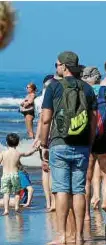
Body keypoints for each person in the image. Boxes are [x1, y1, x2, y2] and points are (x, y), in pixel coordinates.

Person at [40, 51, 98, 245]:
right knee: (79, 190)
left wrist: (43, 144)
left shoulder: (53, 87)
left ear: (64, 67)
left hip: (59, 143)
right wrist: (89, 144)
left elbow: (46, 118)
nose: (56, 67)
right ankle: (80, 236)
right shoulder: (88, 90)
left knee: (62, 189)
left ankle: (64, 235)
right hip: (81, 144)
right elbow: (93, 121)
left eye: (57, 64)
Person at [81, 66, 106, 220]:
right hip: (102, 135)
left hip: (86, 137)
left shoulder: (82, 91)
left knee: (87, 176)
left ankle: (85, 214)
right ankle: (105, 202)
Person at [32, 74, 56, 212]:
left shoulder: (37, 100)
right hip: (54, 135)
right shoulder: (53, 97)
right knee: (53, 169)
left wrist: (37, 137)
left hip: (42, 135)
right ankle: (53, 202)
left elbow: (40, 121)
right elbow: (44, 120)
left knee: (45, 169)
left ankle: (48, 202)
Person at [1, 133, 37, 215]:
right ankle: (16, 207)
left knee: (6, 193)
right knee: (17, 192)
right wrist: (34, 149)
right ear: (17, 144)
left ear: (6, 143)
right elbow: (28, 153)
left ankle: (6, 210)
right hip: (15, 175)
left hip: (5, 175)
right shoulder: (18, 153)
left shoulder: (3, 153)